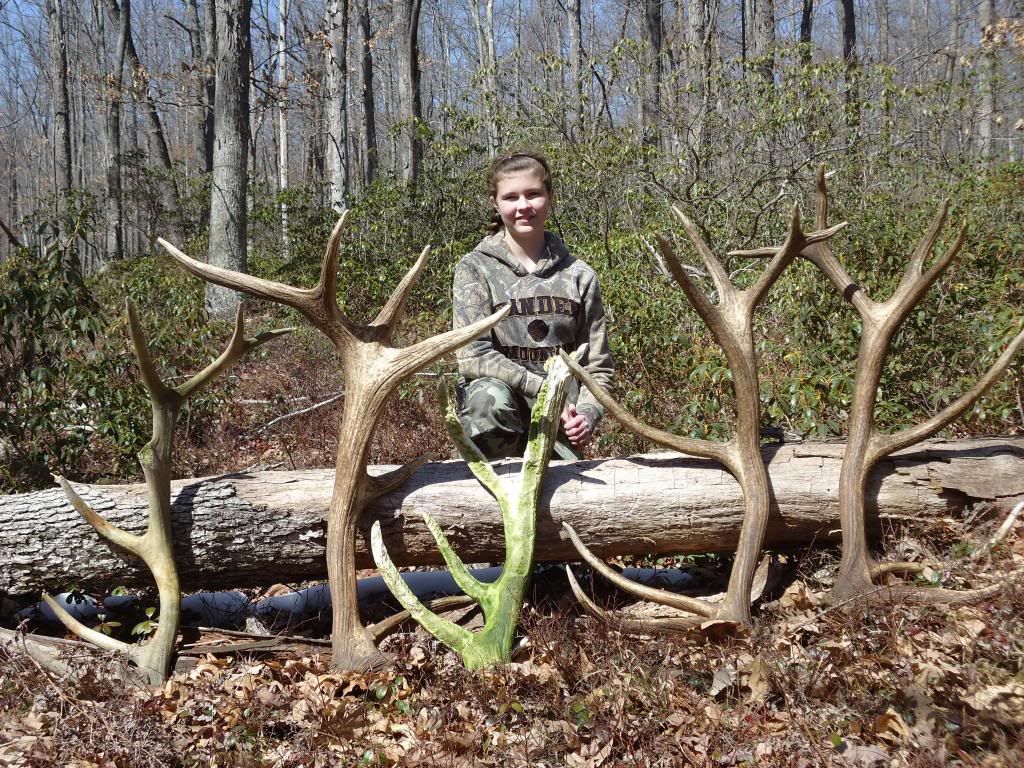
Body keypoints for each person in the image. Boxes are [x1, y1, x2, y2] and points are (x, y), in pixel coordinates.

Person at [452, 151, 614, 460]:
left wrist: (588, 414)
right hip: (497, 420)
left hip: (559, 420)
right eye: (511, 197)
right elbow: (472, 356)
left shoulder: (579, 276)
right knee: (487, 399)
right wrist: (544, 390)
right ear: (495, 202)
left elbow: (598, 366)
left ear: (550, 196)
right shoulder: (475, 269)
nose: (523, 206)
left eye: (533, 194)